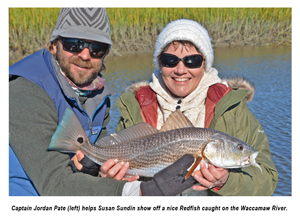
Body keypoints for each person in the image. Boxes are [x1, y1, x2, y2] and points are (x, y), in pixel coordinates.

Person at [9, 8, 198, 196]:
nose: (85, 55)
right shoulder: (25, 91)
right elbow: (55, 184)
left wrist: (100, 172)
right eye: (74, 44)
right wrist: (141, 192)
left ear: (106, 54)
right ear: (54, 45)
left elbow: (96, 157)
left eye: (96, 48)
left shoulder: (97, 93)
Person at [99, 19, 278, 196]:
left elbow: (267, 180)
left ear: (205, 64)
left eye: (192, 61)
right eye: (170, 60)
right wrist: (109, 181)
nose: (181, 69)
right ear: (159, 63)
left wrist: (226, 182)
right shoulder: (136, 108)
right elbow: (111, 169)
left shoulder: (232, 110)